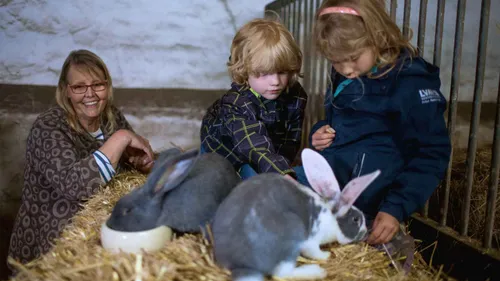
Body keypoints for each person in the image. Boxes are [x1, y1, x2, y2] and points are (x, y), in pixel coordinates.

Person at [294, 0, 451, 250]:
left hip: (369, 201)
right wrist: (319, 133)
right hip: (333, 186)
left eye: (353, 58)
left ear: (377, 36)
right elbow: (340, 125)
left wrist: (395, 208)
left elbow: (431, 152)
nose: (345, 69)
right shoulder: (347, 75)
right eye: (335, 61)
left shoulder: (408, 84)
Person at [8, 49, 155, 266]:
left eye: (98, 85)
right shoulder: (48, 127)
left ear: (107, 86)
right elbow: (74, 186)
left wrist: (142, 162)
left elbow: (127, 162)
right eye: (79, 87)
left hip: (100, 226)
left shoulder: (110, 117)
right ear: (65, 91)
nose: (90, 94)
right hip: (53, 243)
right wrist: (121, 138)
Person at [200, 18, 308, 180]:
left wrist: (283, 168)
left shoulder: (296, 96)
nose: (275, 82)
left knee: (268, 176)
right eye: (264, 73)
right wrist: (280, 173)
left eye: (282, 72)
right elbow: (254, 148)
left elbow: (291, 140)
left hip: (264, 152)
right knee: (221, 178)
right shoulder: (235, 104)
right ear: (244, 69)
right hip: (223, 150)